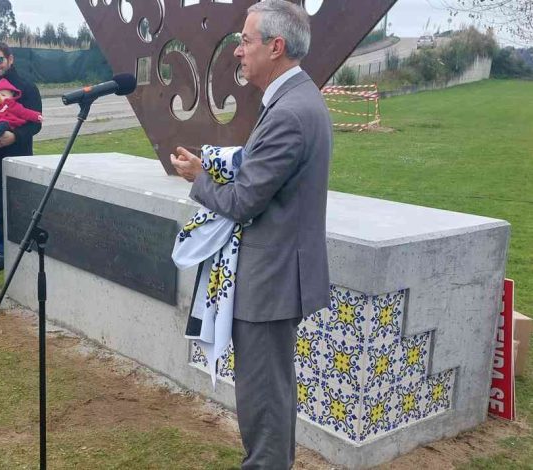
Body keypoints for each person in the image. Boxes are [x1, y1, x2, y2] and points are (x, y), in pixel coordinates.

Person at [170, 1, 332, 468]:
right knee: (269, 397)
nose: (238, 51)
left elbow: (243, 202)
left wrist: (199, 178)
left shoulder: (290, 112)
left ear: (275, 47)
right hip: (274, 276)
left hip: (271, 282)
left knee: (264, 403)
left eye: (245, 40)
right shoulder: (294, 99)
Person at [0, 41, 43, 272]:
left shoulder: (28, 88)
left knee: (22, 207)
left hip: (21, 157)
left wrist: (15, 136)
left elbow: (36, 124)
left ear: (10, 59)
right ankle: (4, 254)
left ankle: (26, 253)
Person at [0, 78, 44, 143]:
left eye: (3, 95)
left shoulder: (12, 105)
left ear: (11, 97)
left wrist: (36, 116)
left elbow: (24, 112)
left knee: (3, 124)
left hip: (9, 121)